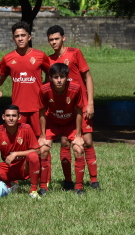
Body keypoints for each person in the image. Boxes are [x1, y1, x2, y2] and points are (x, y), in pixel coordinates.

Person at [46, 25, 100, 190]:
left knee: (88, 141)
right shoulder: (49, 60)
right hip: (63, 109)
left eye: (56, 39)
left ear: (64, 38)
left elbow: (88, 77)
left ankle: (94, 180)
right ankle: (68, 181)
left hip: (81, 105)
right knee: (64, 142)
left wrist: (90, 102)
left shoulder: (75, 53)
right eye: (50, 40)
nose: (54, 42)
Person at [38, 63, 87, 196]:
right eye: (55, 77)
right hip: (52, 122)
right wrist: (42, 135)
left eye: (62, 77)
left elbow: (79, 112)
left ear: (67, 77)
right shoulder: (44, 90)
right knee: (43, 150)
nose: (59, 80)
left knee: (78, 149)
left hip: (70, 123)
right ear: (50, 78)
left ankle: (78, 187)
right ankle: (43, 188)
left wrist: (78, 135)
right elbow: (42, 113)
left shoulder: (75, 89)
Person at [0, 21, 50, 136]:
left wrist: (45, 86)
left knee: (41, 140)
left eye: (23, 35)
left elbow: (52, 73)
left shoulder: (40, 56)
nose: (20, 39)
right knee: (18, 139)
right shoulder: (8, 58)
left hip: (38, 106)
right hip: (18, 108)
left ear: (29, 37)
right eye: (17, 36)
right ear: (13, 39)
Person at [0, 105, 41, 198]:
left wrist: (16, 154)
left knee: (33, 156)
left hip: (24, 166)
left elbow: (38, 150)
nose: (11, 118)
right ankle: (10, 184)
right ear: (3, 117)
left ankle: (33, 190)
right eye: (8, 116)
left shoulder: (26, 128)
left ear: (19, 117)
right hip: (8, 166)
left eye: (14, 116)